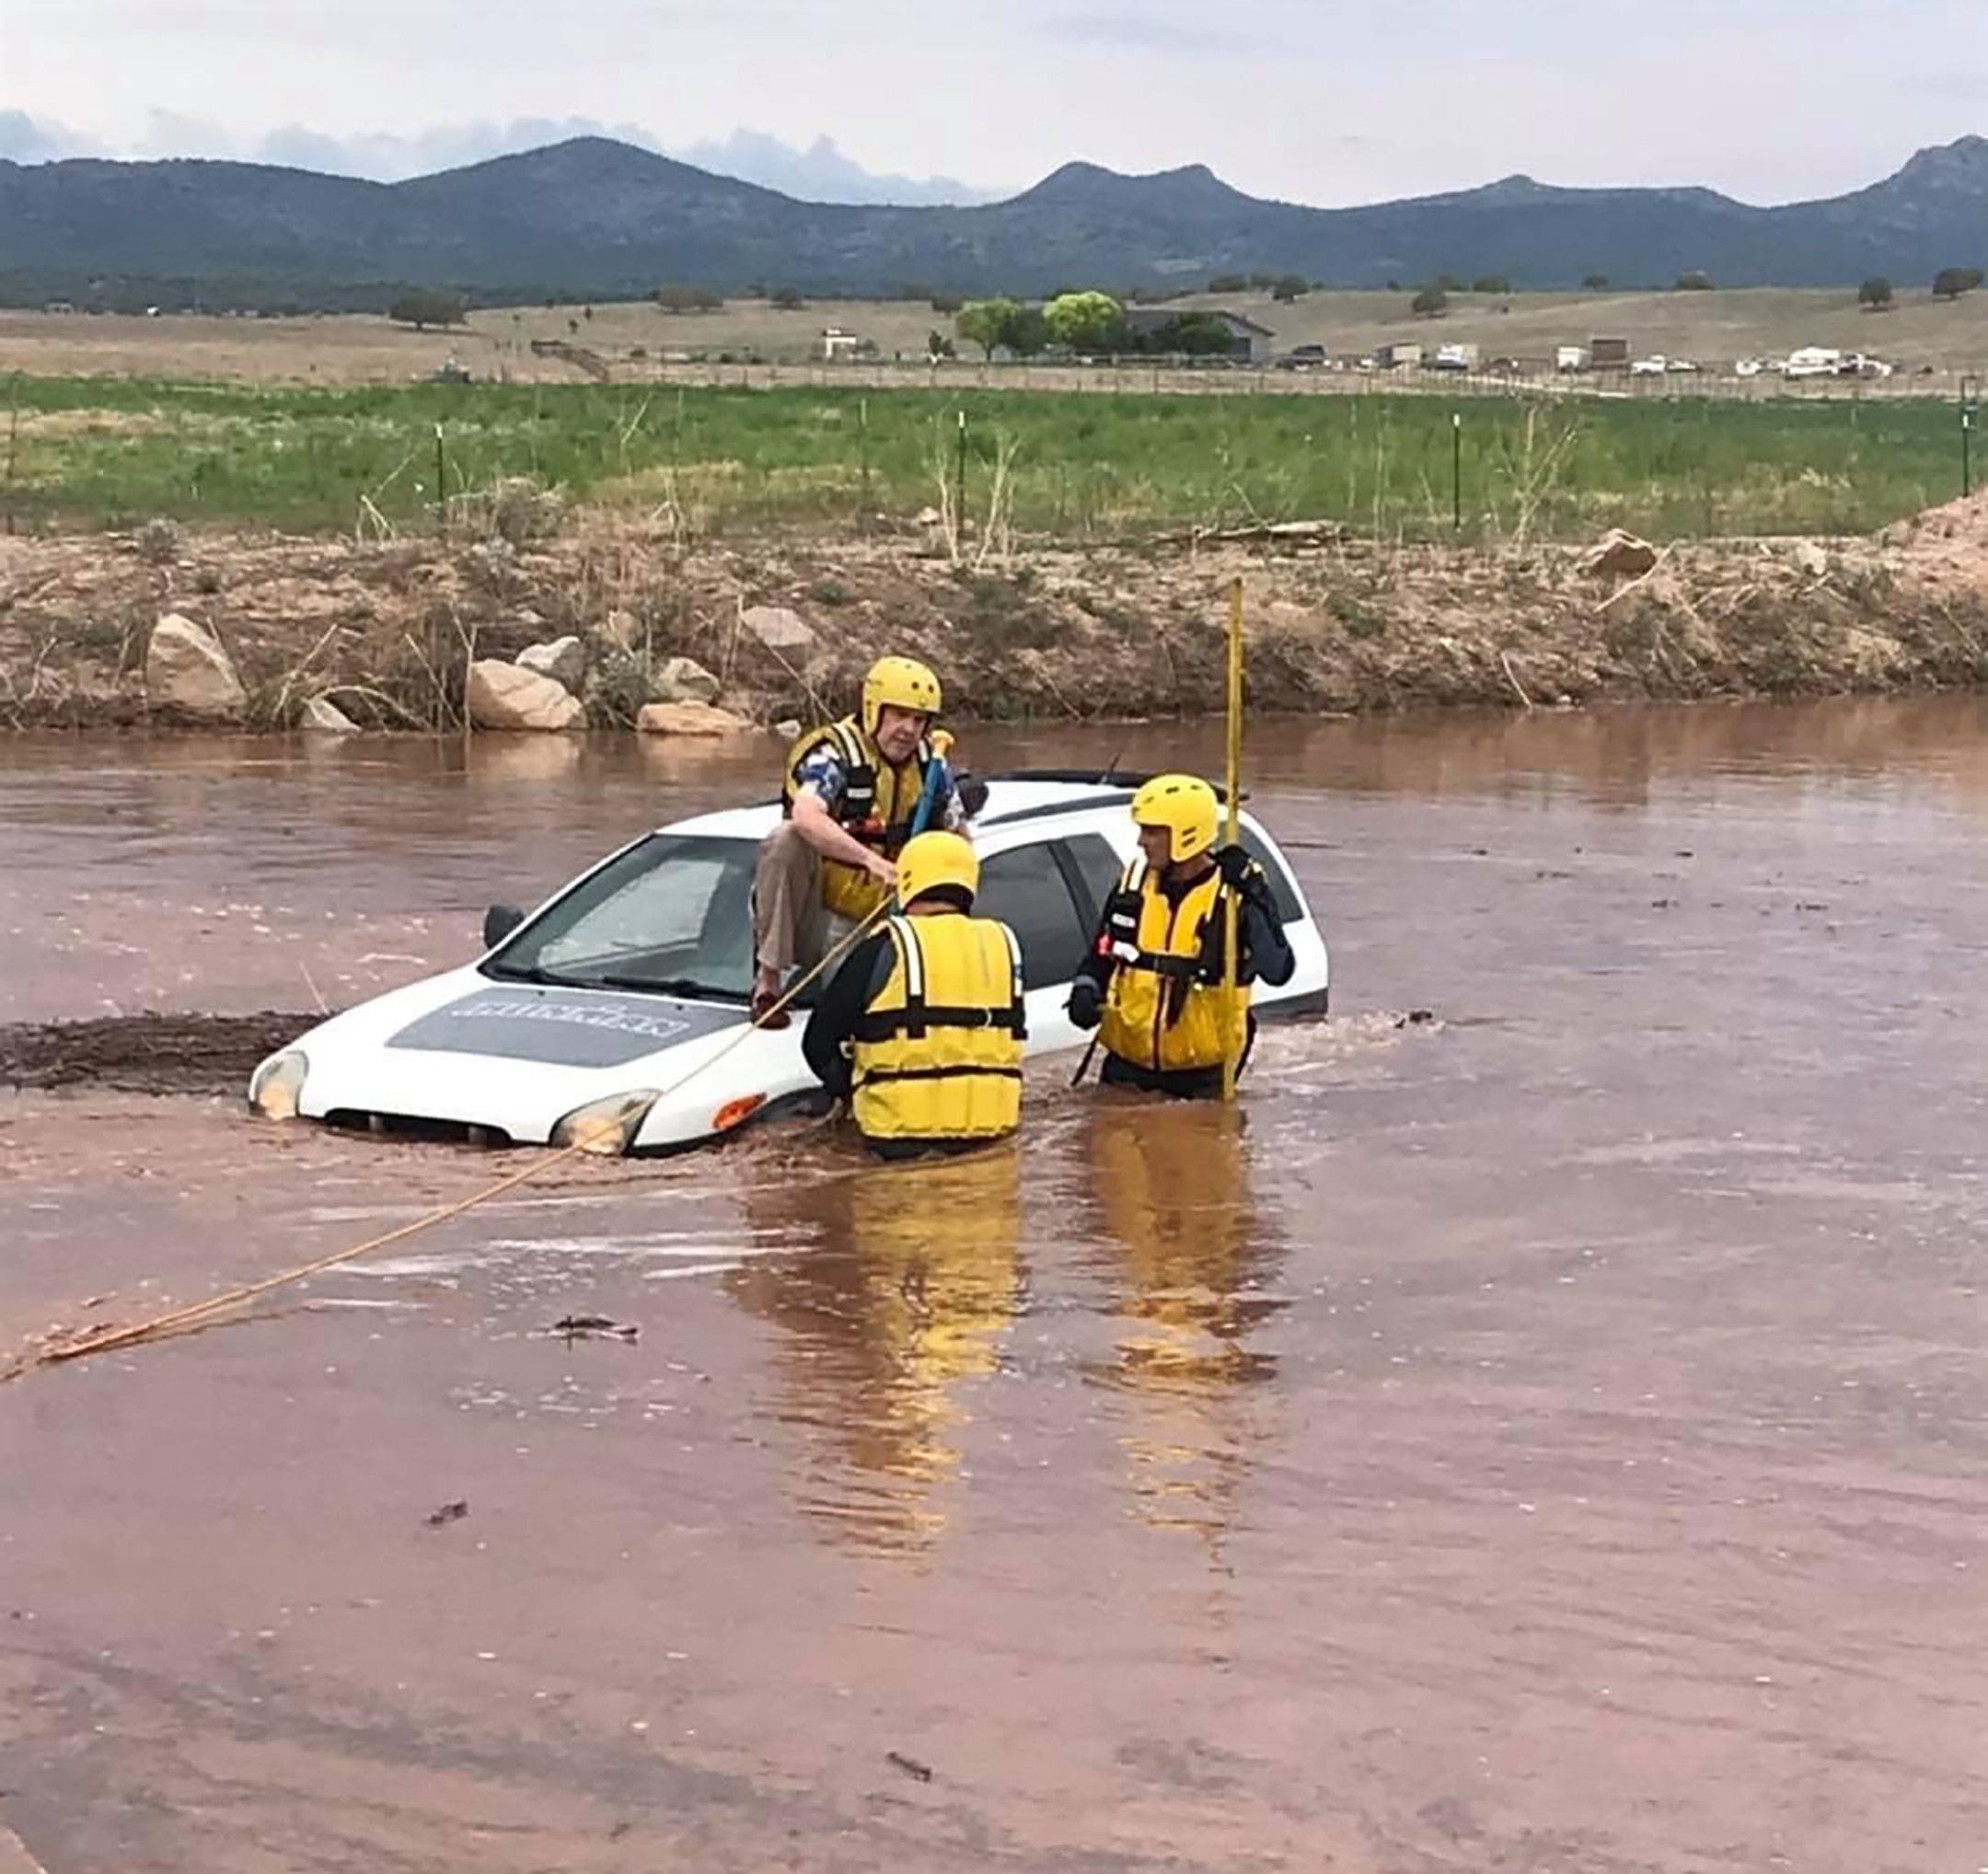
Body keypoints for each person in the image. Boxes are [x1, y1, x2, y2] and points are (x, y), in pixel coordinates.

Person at [751, 654, 956, 1025]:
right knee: (787, 838)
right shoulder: (833, 755)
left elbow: (958, 836)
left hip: (889, 919)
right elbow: (806, 814)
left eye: (919, 719)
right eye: (899, 716)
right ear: (874, 709)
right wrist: (870, 860)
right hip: (822, 911)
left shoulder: (933, 766)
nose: (909, 729)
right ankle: (768, 983)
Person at [1066, 772, 1294, 1099]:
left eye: (1152, 832)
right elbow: (1100, 957)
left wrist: (1255, 894)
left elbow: (1279, 971)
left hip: (1201, 1078)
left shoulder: (1233, 897)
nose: (1141, 841)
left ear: (1186, 833)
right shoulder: (1131, 887)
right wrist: (1085, 987)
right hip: (1126, 1069)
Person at [803, 830, 1026, 1159]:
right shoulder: (1004, 946)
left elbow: (818, 1043)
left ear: (907, 880)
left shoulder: (884, 946)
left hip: (897, 1143)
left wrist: (849, 1091)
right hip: (991, 1142)